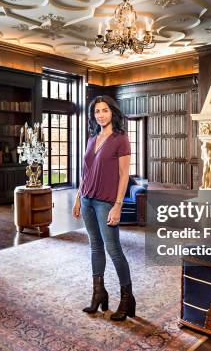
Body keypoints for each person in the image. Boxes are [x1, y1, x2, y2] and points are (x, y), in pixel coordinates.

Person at [72, 95, 135, 321]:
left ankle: (127, 299)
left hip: (105, 201)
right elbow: (85, 172)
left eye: (105, 110)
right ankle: (99, 292)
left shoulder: (121, 139)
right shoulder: (92, 138)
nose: (100, 114)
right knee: (95, 247)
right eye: (97, 111)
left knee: (114, 249)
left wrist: (117, 205)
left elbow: (123, 175)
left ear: (113, 113)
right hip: (87, 199)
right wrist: (78, 198)